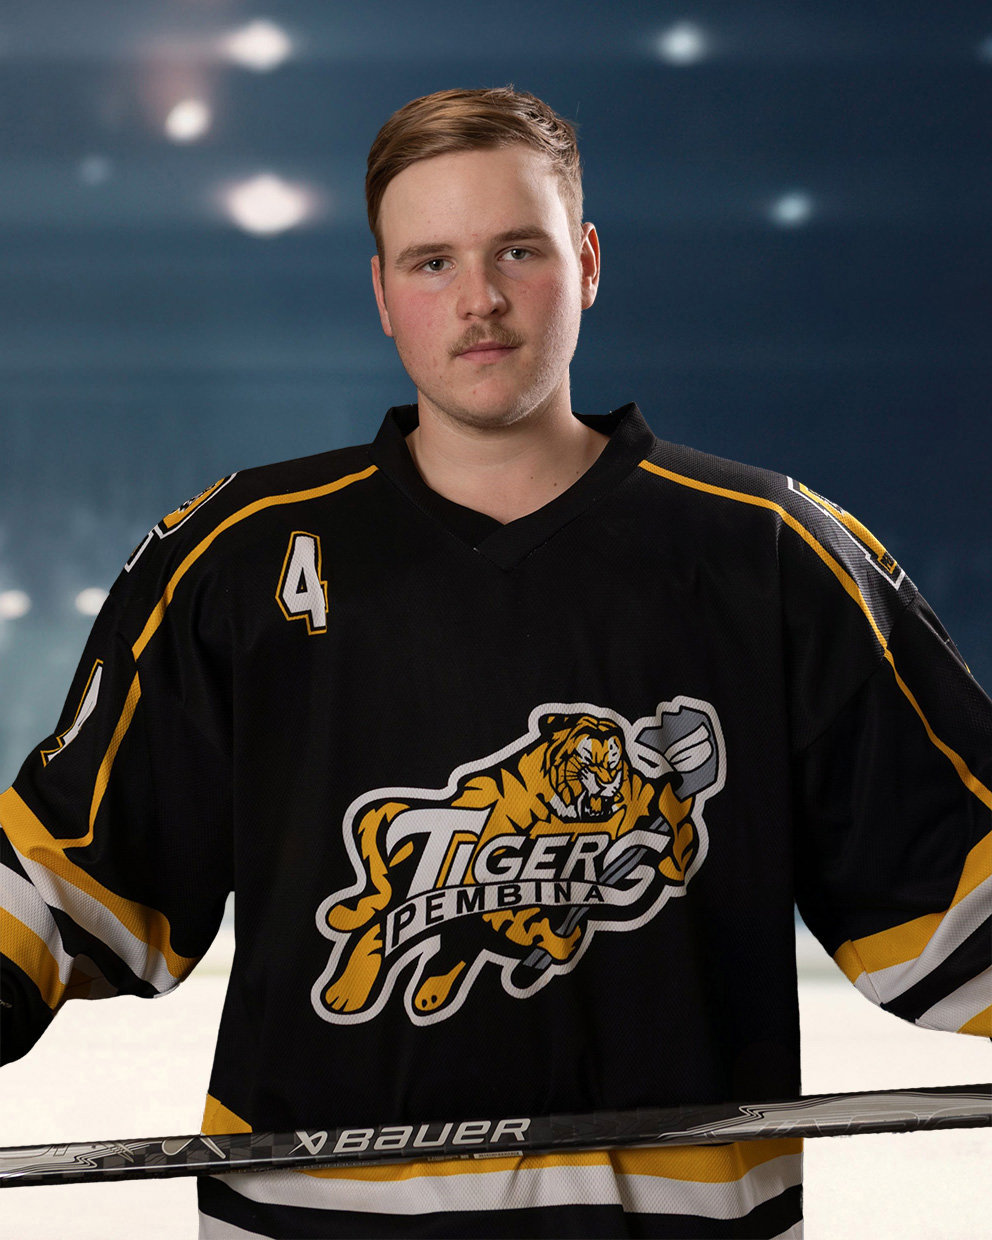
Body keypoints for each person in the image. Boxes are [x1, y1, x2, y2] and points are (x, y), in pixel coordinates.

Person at [1, 86, 989, 1240]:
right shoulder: (237, 554)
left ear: (585, 262)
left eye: (516, 250)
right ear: (382, 293)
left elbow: (952, 878)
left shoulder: (769, 551)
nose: (478, 299)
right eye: (432, 262)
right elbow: (69, 869)